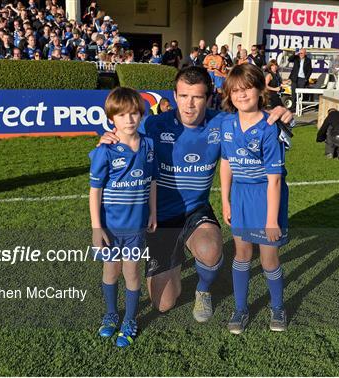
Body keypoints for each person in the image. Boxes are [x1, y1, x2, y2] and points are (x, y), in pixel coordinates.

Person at [98, 66, 293, 320]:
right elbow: (124, 131)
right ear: (175, 96)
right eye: (183, 96)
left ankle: (203, 289)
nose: (189, 105)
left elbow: (256, 118)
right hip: (161, 219)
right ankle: (172, 262)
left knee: (210, 250)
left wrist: (285, 113)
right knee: (163, 304)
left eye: (198, 97)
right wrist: (108, 140)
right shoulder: (155, 125)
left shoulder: (221, 122)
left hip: (196, 212)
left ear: (208, 98)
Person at [220, 64, 289, 334]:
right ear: (228, 94)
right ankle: (240, 308)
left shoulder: (269, 127)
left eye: (248, 88)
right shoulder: (226, 123)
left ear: (260, 90)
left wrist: (271, 219)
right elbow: (225, 164)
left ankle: (278, 307)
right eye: (235, 90)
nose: (242, 94)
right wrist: (226, 201)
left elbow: (274, 179)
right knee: (242, 253)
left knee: (269, 258)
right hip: (240, 195)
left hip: (265, 196)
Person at [89, 87, 158, 348]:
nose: (129, 120)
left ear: (141, 115)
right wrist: (97, 228)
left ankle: (129, 319)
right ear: (111, 119)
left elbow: (152, 181)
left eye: (134, 114)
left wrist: (153, 211)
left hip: (136, 226)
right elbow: (94, 191)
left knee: (131, 273)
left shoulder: (148, 145)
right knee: (111, 271)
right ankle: (110, 314)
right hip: (110, 226)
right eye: (122, 115)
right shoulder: (105, 149)